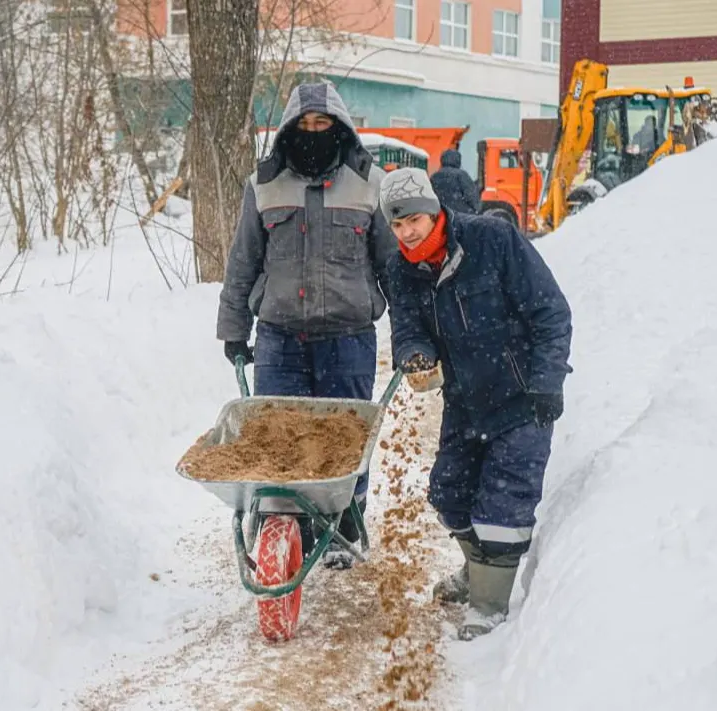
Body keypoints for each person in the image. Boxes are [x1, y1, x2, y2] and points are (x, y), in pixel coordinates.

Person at [379, 167, 572, 640]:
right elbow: (407, 328)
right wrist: (413, 354)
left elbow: (550, 309)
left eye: (415, 220)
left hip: (522, 394)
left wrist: (547, 381)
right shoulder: (399, 270)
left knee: (504, 501)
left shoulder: (493, 240)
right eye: (397, 224)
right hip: (465, 398)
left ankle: (488, 605)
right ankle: (476, 570)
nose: (407, 232)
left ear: (433, 210)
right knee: (449, 491)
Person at [216, 81, 398, 568]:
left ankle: (344, 523)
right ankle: (284, 525)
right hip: (279, 339)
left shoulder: (370, 186)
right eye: (305, 126)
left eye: (324, 126)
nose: (314, 133)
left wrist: (411, 334)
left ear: (341, 130)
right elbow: (243, 264)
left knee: (343, 444)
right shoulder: (263, 186)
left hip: (348, 338)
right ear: (288, 131)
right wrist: (233, 329)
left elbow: (394, 269)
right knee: (279, 441)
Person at [429, 148, 481, 215]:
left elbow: (430, 195)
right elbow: (471, 195)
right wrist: (476, 209)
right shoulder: (462, 175)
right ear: (458, 160)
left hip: (441, 215)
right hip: (460, 215)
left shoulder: (434, 176)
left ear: (442, 159)